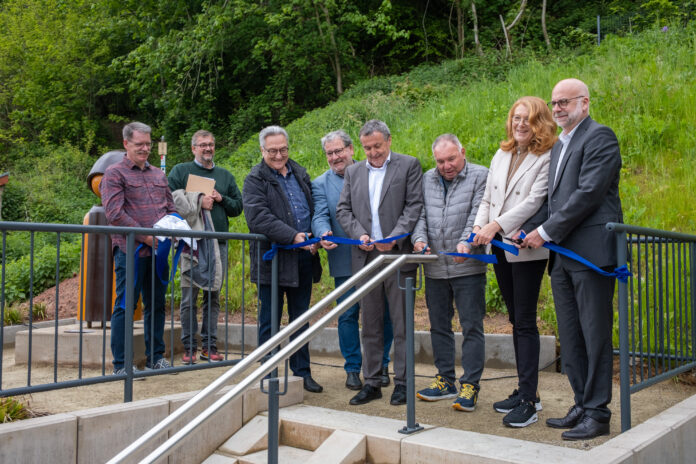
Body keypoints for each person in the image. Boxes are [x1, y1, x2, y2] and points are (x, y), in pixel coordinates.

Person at [521, 78, 622, 440]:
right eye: (555, 102)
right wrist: (531, 229)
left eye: (565, 101)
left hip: (591, 255)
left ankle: (598, 413)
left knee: (594, 335)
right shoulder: (561, 145)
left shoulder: (600, 137)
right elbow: (553, 201)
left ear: (585, 102)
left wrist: (545, 232)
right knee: (571, 335)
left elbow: (588, 193)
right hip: (562, 259)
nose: (559, 107)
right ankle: (581, 403)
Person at [472, 96, 556, 427]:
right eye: (517, 118)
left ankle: (530, 399)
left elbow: (535, 201)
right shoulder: (502, 152)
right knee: (513, 317)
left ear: (541, 123)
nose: (521, 124)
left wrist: (497, 225)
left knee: (524, 321)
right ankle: (523, 390)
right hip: (498, 246)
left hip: (525, 249)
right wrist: (479, 226)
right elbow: (488, 198)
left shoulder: (546, 156)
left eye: (528, 119)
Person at [336, 119, 423, 406]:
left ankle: (403, 383)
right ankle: (372, 381)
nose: (372, 152)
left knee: (401, 325)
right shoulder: (352, 172)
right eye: (367, 147)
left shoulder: (408, 165)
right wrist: (358, 233)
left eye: (377, 146)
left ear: (388, 141)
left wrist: (396, 237)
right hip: (366, 258)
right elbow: (343, 209)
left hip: (397, 256)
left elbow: (414, 206)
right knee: (370, 324)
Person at [311, 130, 395, 391]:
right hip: (344, 259)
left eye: (339, 151)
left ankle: (380, 364)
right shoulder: (320, 183)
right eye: (330, 153)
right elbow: (320, 214)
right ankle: (352, 368)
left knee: (383, 315)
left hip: (375, 256)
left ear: (351, 150)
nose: (335, 157)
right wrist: (322, 232)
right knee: (348, 314)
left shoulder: (370, 170)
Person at [243, 125, 323, 393]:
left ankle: (302, 373)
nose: (279, 155)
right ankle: (269, 374)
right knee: (270, 321)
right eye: (273, 150)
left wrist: (314, 236)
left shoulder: (299, 172)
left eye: (283, 149)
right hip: (273, 262)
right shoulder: (255, 179)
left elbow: (311, 208)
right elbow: (258, 218)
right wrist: (293, 237)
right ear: (262, 150)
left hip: (302, 259)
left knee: (301, 319)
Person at [411, 134, 488, 412]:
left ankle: (470, 385)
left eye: (451, 159)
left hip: (467, 266)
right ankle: (445, 380)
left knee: (471, 326)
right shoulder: (426, 178)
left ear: (462, 152)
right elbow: (419, 214)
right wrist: (418, 240)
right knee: (438, 326)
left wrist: (467, 242)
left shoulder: (480, 176)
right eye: (441, 161)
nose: (446, 166)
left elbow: (479, 213)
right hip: (434, 267)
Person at [101, 121, 178, 374]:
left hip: (159, 252)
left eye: (148, 144)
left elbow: (171, 208)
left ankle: (156, 357)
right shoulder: (114, 174)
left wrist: (178, 230)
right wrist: (145, 237)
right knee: (125, 305)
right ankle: (122, 366)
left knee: (156, 305)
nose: (145, 149)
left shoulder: (159, 174)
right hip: (130, 251)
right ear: (126, 144)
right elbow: (114, 214)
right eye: (139, 144)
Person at [168, 130, 243, 364]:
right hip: (191, 243)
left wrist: (221, 199)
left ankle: (209, 346)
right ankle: (189, 346)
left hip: (217, 243)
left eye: (211, 144)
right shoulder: (180, 171)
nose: (208, 148)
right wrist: (199, 200)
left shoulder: (225, 175)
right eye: (202, 145)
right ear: (193, 149)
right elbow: (170, 200)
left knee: (213, 295)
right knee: (189, 297)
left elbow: (238, 207)